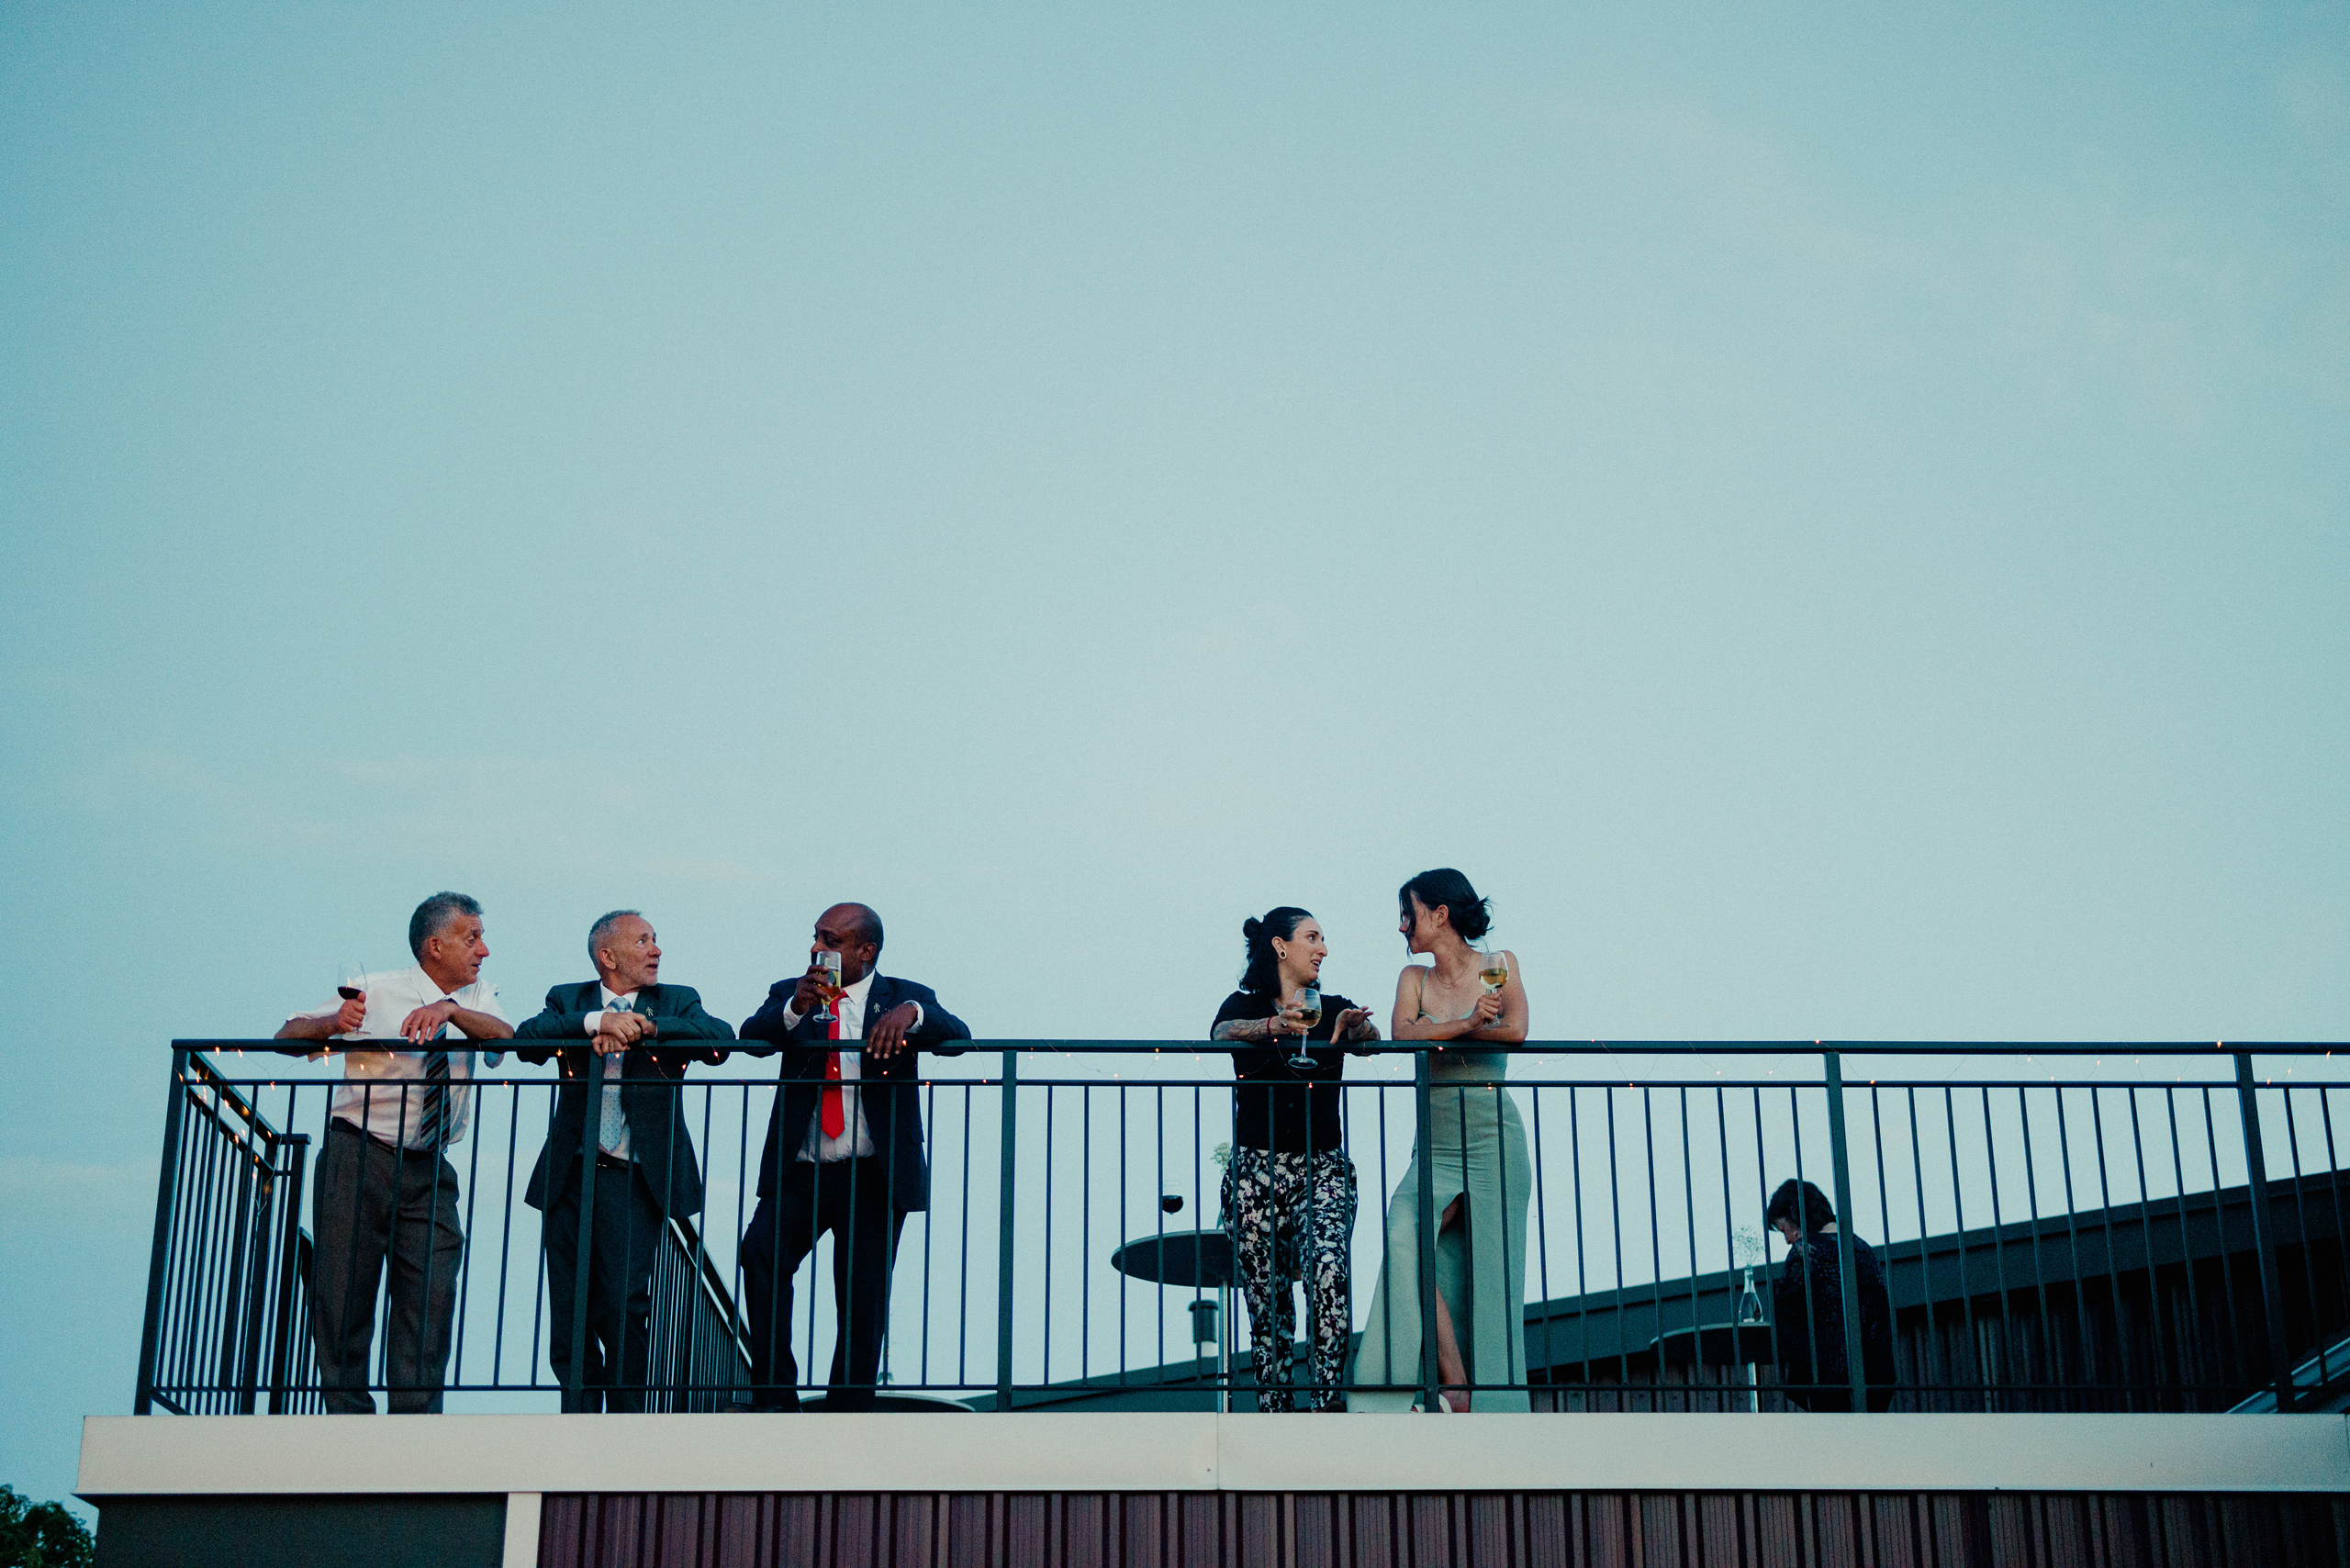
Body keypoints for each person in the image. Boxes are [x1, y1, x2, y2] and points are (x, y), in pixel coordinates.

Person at [275, 892, 514, 1413]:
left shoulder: (476, 996)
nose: (484, 950)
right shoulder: (375, 990)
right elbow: (287, 1036)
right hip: (359, 1153)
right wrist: (333, 1024)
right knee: (343, 1291)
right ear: (435, 945)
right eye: (472, 938)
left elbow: (504, 1041)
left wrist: (448, 1011)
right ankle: (349, 1416)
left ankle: (414, 1421)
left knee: (432, 1292)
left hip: (430, 1167)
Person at [735, 902, 970, 1410]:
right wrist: (794, 1010)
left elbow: (958, 1036)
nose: (817, 948)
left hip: (875, 1173)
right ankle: (775, 1396)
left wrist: (913, 1015)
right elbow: (750, 1040)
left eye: (831, 940)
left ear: (866, 950)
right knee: (760, 1254)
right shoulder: (790, 992)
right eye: (816, 937)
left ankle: (849, 1407)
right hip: (803, 1169)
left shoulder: (904, 996)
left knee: (862, 1296)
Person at [511, 911, 734, 1412]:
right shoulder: (568, 998)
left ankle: (627, 1419)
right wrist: (598, 1022)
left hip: (635, 1177)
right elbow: (526, 1041)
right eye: (643, 940)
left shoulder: (676, 999)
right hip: (571, 1175)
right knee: (569, 1307)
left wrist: (645, 1029)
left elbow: (720, 1040)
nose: (656, 949)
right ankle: (579, 1417)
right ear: (607, 957)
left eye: (656, 938)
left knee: (625, 1306)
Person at [1350, 868, 1532, 1413]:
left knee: (1496, 1269)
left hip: (1493, 1135)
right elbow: (1405, 1033)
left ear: (1439, 914)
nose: (1402, 925)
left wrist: (1452, 1030)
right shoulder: (1413, 977)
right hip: (1435, 1141)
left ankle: (1497, 1404)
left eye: (1409, 913)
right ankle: (1453, 1380)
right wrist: (1469, 1023)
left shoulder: (1499, 964)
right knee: (1405, 1233)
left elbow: (1516, 1032)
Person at [1210, 908, 1379, 1412]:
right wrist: (1273, 1025)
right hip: (1254, 1172)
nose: (1323, 948)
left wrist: (1353, 1031)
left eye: (1323, 939)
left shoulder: (1334, 1006)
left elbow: (1370, 1043)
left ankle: (1327, 1404)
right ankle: (1275, 1412)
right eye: (1312, 937)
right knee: (1267, 1302)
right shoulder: (1242, 1004)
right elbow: (1220, 1033)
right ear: (1281, 947)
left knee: (1329, 1272)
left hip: (1321, 1168)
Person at [1765, 1178, 1898, 1412]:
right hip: (1874, 1381)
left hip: (1827, 1384)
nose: (1787, 1239)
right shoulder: (1861, 1249)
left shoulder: (1806, 1252)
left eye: (1783, 1228)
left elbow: (1785, 1317)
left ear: (1795, 1213)